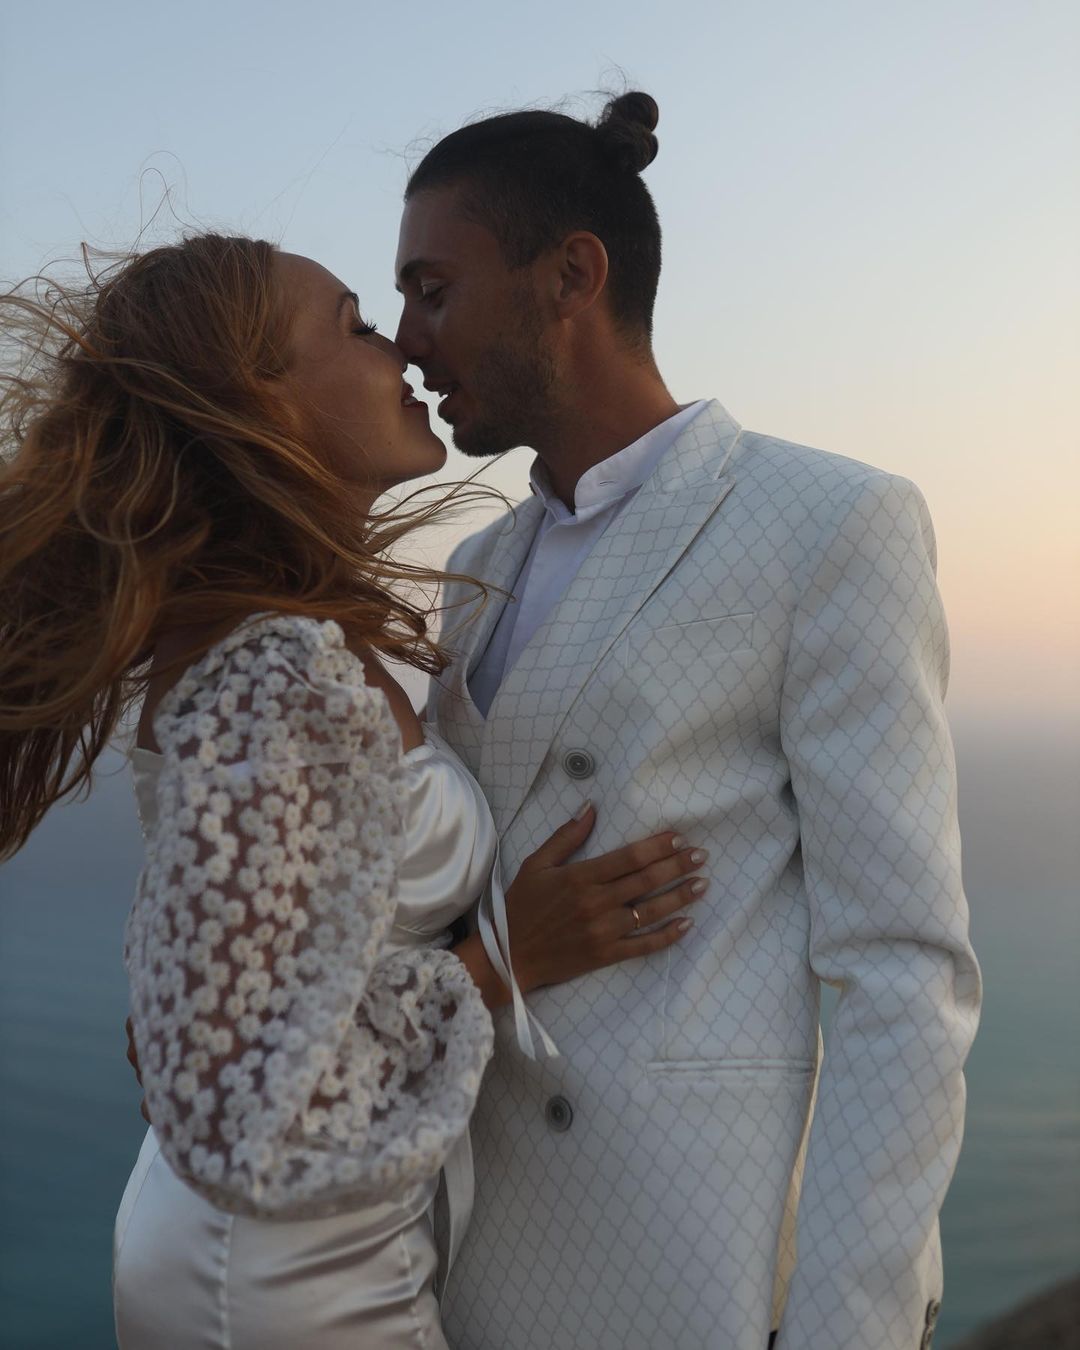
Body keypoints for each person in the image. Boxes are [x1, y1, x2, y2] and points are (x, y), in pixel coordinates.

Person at [0, 235, 710, 1349]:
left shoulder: (286, 640)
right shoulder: (273, 669)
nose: (403, 349)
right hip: (284, 1281)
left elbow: (229, 989)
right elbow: (246, 1116)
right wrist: (507, 960)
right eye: (356, 326)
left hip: (296, 1248)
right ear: (262, 399)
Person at [394, 91, 982, 1350]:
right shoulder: (474, 568)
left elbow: (901, 970)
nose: (405, 340)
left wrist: (847, 1327)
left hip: (691, 1278)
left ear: (572, 275)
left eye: (433, 291)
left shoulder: (829, 523)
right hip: (465, 1265)